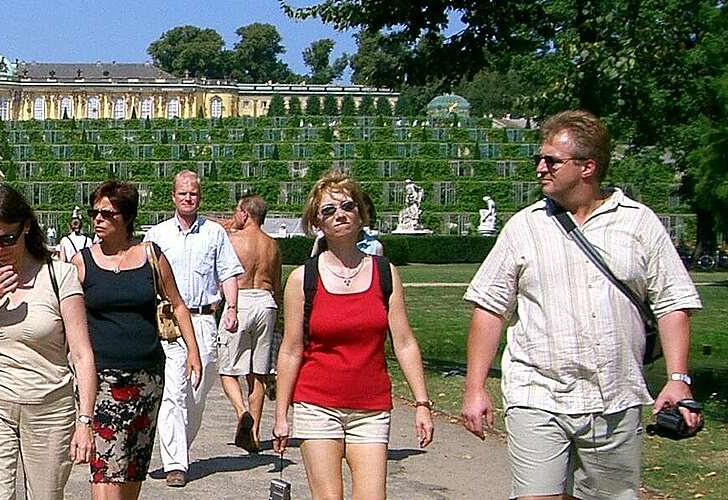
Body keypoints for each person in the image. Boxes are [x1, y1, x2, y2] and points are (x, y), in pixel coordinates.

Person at [460, 111, 703, 500]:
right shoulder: (525, 226)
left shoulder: (639, 224)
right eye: (539, 159)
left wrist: (678, 378)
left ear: (588, 167)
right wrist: (475, 388)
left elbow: (674, 303)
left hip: (615, 395)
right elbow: (490, 308)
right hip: (536, 392)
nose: (540, 168)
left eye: (551, 161)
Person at [271, 171, 435, 500]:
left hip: (371, 408)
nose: (340, 214)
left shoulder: (385, 273)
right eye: (328, 211)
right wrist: (280, 415)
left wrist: (421, 403)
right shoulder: (303, 279)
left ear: (360, 213)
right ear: (317, 224)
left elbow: (403, 342)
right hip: (317, 404)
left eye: (347, 206)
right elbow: (291, 350)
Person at [0, 186, 98, 500]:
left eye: (6, 239)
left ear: (26, 226)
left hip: (50, 406)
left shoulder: (59, 276)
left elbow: (82, 355)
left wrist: (85, 420)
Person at [74, 181, 198, 500]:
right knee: (105, 468)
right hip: (101, 380)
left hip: (147, 377)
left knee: (131, 467)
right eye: (94, 212)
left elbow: (179, 305)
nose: (97, 218)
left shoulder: (151, 256)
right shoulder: (82, 262)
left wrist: (193, 353)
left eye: (107, 213)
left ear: (126, 217)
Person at [143, 170, 241, 487]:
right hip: (170, 323)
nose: (188, 198)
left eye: (194, 193)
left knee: (196, 394)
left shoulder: (214, 233)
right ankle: (176, 464)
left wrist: (233, 308)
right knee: (173, 392)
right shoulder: (156, 235)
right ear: (173, 197)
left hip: (202, 320)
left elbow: (228, 273)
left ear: (200, 197)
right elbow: (145, 277)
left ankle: (180, 448)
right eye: (183, 193)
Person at [219, 194, 282, 452]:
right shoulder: (273, 245)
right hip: (266, 302)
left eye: (237, 211)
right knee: (258, 372)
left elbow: (223, 277)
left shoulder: (233, 241)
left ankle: (242, 410)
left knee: (227, 369)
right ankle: (253, 434)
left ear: (245, 213)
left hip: (241, 300)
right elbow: (277, 284)